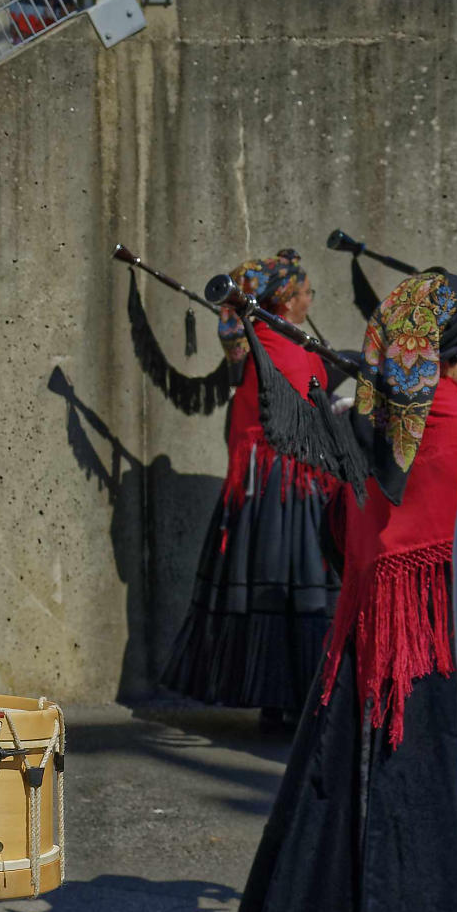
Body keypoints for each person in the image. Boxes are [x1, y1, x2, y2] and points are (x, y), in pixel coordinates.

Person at [240, 270, 457, 912]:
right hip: (435, 662)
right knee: (435, 825)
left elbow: (339, 533)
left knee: (349, 810)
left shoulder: (377, 415)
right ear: (454, 343)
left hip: (364, 653)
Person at [161, 250, 341, 725]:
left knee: (293, 585)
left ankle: (294, 691)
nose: (309, 300)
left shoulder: (293, 340)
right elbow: (233, 326)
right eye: (303, 292)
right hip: (274, 481)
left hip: (297, 482)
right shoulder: (258, 339)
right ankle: (278, 692)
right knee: (280, 581)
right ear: (285, 298)